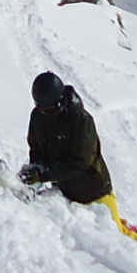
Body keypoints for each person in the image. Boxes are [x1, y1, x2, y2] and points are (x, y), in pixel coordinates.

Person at [18, 70, 113, 203]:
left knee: (110, 223)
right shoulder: (38, 116)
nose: (46, 113)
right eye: (42, 109)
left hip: (93, 193)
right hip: (63, 189)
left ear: (61, 102)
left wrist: (44, 174)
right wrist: (34, 170)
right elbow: (35, 148)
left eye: (51, 110)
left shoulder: (81, 120)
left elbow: (79, 163)